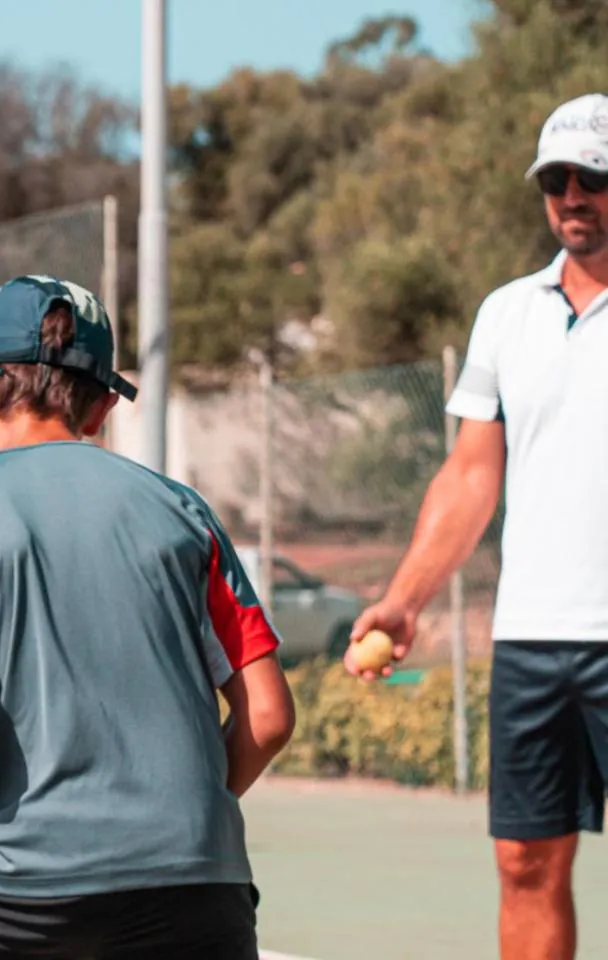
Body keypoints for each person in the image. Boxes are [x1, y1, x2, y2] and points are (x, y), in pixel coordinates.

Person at [0, 275, 296, 960]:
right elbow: (268, 717)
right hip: (204, 878)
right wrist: (190, 813)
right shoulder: (186, 513)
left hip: (28, 881)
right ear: (103, 410)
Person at [347, 93, 608, 960]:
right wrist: (404, 599)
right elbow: (470, 477)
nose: (573, 195)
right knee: (525, 861)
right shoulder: (507, 313)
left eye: (593, 178)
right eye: (557, 180)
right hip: (533, 642)